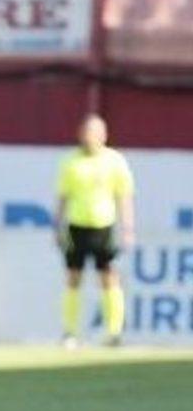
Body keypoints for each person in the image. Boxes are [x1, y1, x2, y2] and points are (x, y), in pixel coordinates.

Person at [55, 114, 136, 348]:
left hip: (104, 225)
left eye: (94, 133)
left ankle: (114, 332)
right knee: (73, 276)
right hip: (76, 225)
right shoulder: (71, 162)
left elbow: (124, 196)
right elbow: (63, 197)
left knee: (109, 277)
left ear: (104, 135)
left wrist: (127, 228)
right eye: (86, 132)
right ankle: (70, 332)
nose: (90, 137)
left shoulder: (115, 161)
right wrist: (57, 225)